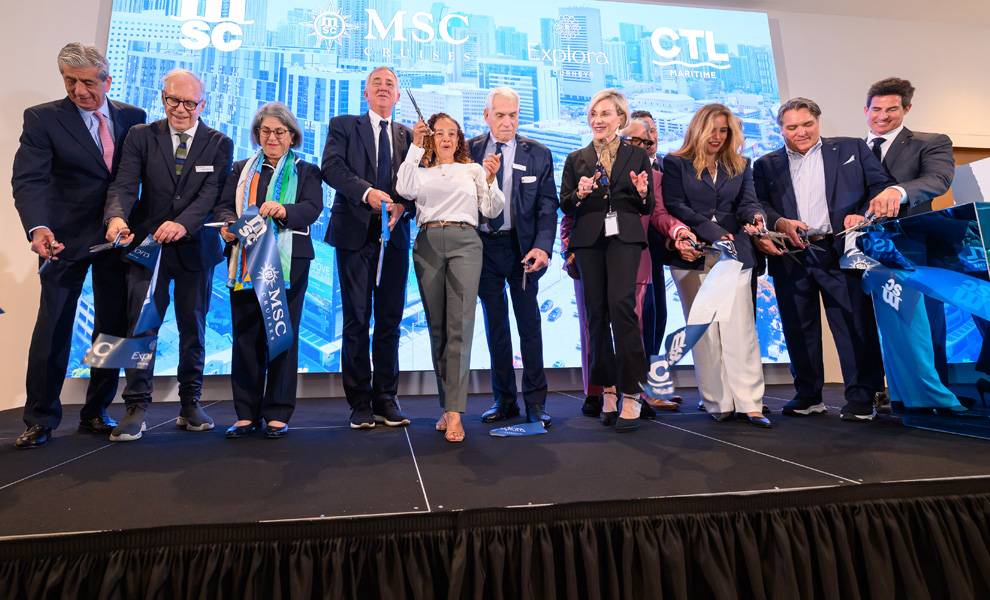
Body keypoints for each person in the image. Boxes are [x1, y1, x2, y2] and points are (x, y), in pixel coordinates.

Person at [11, 43, 146, 448]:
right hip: (62, 240)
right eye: (70, 81)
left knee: (112, 329)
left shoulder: (133, 118)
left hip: (116, 238)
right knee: (53, 328)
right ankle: (41, 418)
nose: (79, 90)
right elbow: (29, 180)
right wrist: (38, 229)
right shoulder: (42, 119)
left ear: (108, 80)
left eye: (88, 82)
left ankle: (96, 411)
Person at [104, 68, 233, 441]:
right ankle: (135, 406)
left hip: (195, 249)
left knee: (193, 328)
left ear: (202, 104)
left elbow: (211, 194)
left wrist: (183, 224)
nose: (180, 109)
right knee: (140, 327)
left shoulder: (219, 142)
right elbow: (126, 183)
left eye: (189, 102)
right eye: (173, 100)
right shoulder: (141, 136)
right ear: (163, 99)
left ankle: (190, 402)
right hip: (148, 245)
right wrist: (116, 217)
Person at [753, 97, 896, 422]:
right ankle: (808, 395)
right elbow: (760, 203)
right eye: (792, 127)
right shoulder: (765, 164)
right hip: (792, 253)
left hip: (839, 249)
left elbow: (881, 186)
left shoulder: (852, 148)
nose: (801, 132)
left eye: (807, 124)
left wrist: (862, 214)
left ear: (818, 121)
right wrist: (778, 223)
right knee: (798, 327)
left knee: (852, 323)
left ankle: (862, 397)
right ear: (781, 129)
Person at [215, 103, 323, 439]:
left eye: (279, 131)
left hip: (289, 263)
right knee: (246, 335)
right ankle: (246, 413)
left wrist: (283, 209)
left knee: (281, 334)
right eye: (265, 131)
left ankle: (278, 412)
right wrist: (227, 227)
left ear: (292, 136)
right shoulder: (240, 170)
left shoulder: (307, 171)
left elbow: (311, 209)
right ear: (258, 135)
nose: (272, 137)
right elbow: (221, 206)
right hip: (245, 259)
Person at [396, 113, 504, 443]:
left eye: (452, 133)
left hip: (465, 242)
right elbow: (403, 187)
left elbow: (493, 209)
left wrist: (490, 179)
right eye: (439, 133)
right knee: (438, 328)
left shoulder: (471, 170)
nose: (445, 138)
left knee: (460, 324)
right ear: (431, 138)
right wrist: (415, 147)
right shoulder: (421, 170)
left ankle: (456, 411)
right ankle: (447, 405)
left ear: (459, 140)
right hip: (427, 243)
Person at [662, 104, 771, 427]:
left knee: (741, 329)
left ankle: (750, 403)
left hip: (734, 255)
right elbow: (675, 205)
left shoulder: (740, 164)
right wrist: (711, 232)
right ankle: (716, 401)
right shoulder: (675, 163)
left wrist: (756, 218)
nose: (718, 136)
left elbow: (747, 202)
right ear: (698, 128)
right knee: (705, 333)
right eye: (712, 129)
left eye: (724, 131)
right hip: (693, 256)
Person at [321, 66, 413, 430]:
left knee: (390, 320)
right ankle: (359, 402)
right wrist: (366, 192)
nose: (383, 88)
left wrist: (404, 203)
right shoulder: (344, 125)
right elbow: (331, 167)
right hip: (354, 234)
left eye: (390, 84)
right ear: (365, 92)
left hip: (395, 236)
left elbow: (417, 181)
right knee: (357, 319)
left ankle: (386, 398)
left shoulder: (408, 136)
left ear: (398, 95)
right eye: (376, 82)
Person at [559, 89, 654, 433]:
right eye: (593, 114)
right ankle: (608, 389)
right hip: (588, 241)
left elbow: (647, 206)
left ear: (620, 119)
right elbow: (566, 204)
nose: (598, 120)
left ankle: (632, 391)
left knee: (622, 307)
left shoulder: (637, 156)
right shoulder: (576, 158)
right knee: (596, 315)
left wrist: (642, 192)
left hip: (624, 237)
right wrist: (579, 193)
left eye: (605, 114)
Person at [467, 87, 558, 427]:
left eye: (513, 115)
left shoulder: (538, 153)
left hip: (524, 251)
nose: (507, 122)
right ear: (486, 115)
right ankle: (504, 401)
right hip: (484, 247)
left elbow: (548, 206)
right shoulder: (469, 150)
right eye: (501, 115)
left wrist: (543, 247)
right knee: (496, 327)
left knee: (530, 327)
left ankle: (536, 404)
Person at [864, 77, 955, 398]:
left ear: (907, 109)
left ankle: (934, 396)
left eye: (892, 109)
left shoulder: (930, 142)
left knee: (924, 326)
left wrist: (898, 191)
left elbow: (938, 180)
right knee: (866, 327)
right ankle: (884, 393)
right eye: (876, 109)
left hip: (912, 250)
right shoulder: (851, 150)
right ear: (866, 109)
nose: (882, 116)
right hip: (860, 252)